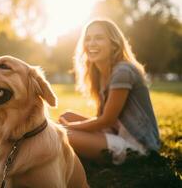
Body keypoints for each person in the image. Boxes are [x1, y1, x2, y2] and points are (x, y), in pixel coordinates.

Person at [59, 19, 160, 165]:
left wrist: (69, 127)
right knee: (66, 116)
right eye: (88, 39)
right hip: (115, 134)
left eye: (99, 38)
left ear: (114, 44)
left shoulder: (123, 71)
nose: (91, 43)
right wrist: (71, 125)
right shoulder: (100, 75)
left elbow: (107, 120)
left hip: (138, 146)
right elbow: (105, 121)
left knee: (62, 134)